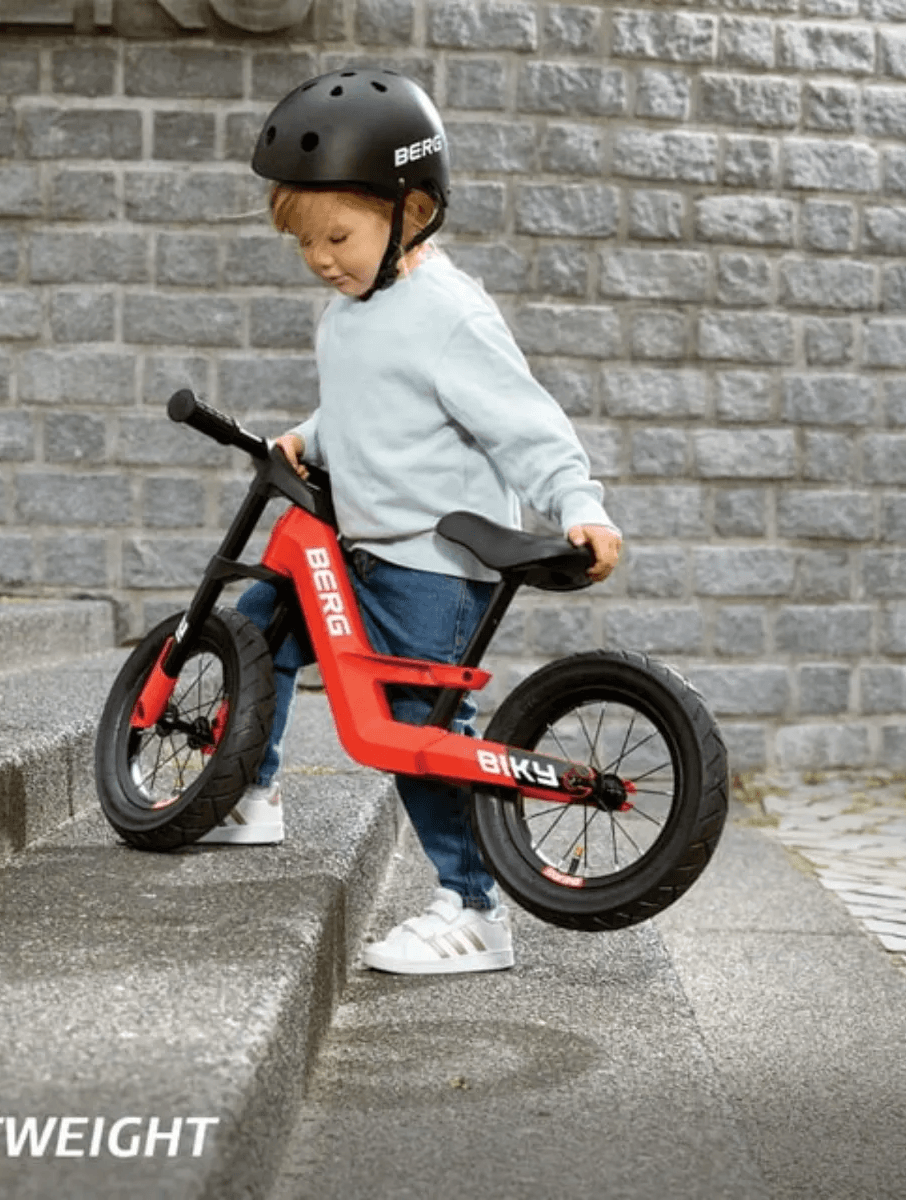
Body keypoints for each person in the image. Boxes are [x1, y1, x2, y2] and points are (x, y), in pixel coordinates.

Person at [203, 69, 622, 975]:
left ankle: (474, 910)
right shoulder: (352, 309)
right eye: (304, 242)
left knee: (417, 733)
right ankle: (247, 787)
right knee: (262, 622)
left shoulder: (448, 314)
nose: (322, 259)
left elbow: (525, 421)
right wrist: (310, 437)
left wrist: (578, 502)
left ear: (414, 211)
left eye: (338, 236)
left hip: (433, 569)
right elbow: (371, 404)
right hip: (365, 551)